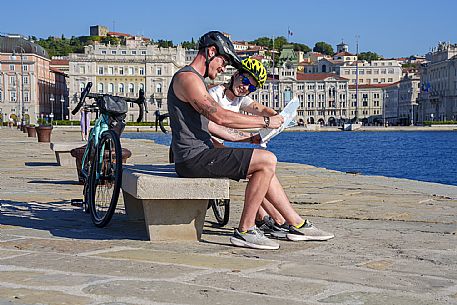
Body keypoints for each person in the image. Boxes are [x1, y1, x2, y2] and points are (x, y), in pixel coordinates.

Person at [168, 31, 333, 250]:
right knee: (266, 160)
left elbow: (212, 126)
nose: (224, 68)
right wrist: (265, 122)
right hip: (194, 158)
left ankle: (297, 223)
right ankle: (245, 230)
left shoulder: (195, 80)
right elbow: (220, 116)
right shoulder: (187, 78)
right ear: (210, 52)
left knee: (265, 166)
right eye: (224, 61)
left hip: (199, 155)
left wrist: (252, 137)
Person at [207, 57, 291, 237]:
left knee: (258, 171)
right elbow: (217, 128)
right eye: (245, 81)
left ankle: (267, 218)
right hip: (206, 149)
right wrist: (252, 138)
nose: (245, 87)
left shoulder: (240, 98)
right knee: (257, 168)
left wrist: (278, 117)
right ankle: (275, 219)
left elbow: (259, 109)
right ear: (236, 75)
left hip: (217, 148)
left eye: (251, 87)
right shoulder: (215, 95)